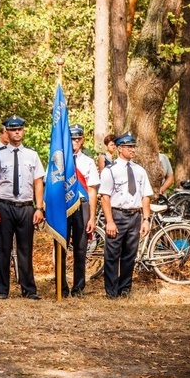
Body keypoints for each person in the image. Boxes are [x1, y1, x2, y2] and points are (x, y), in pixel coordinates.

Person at [0, 115, 45, 300]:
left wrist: (39, 208)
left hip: (26, 207)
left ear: (23, 131)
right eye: (12, 129)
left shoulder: (32, 155)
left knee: (25, 249)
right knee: (2, 249)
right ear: (7, 132)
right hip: (4, 205)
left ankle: (29, 289)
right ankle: (2, 290)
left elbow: (38, 182)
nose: (16, 132)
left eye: (19, 129)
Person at [99, 132, 153, 299]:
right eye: (129, 147)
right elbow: (105, 197)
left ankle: (125, 289)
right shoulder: (111, 171)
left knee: (130, 254)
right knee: (112, 255)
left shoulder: (140, 170)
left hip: (135, 215)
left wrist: (145, 219)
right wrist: (110, 221)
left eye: (134, 147)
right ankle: (111, 291)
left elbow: (145, 196)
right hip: (117, 215)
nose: (133, 150)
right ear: (120, 148)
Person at [57, 124, 100, 298]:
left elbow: (92, 190)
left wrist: (91, 216)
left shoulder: (88, 162)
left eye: (77, 138)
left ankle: (78, 287)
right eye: (71, 138)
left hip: (82, 206)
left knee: (81, 248)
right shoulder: (58, 160)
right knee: (61, 245)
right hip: (63, 206)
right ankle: (61, 286)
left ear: (82, 140)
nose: (75, 142)